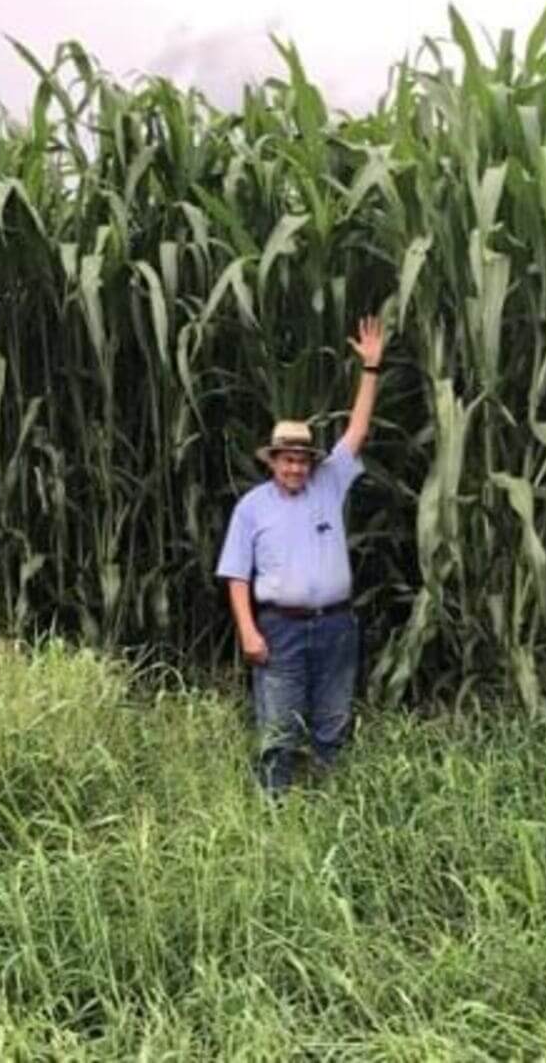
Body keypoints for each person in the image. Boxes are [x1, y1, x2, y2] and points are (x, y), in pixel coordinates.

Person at [215, 316, 385, 795]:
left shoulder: (329, 482)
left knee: (333, 719)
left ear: (312, 461)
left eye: (302, 459)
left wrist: (370, 369)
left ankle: (330, 803)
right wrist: (248, 630)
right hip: (280, 629)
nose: (295, 467)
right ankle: (272, 813)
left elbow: (357, 430)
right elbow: (235, 576)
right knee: (279, 727)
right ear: (272, 460)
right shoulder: (252, 507)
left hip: (335, 625)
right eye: (286, 459)